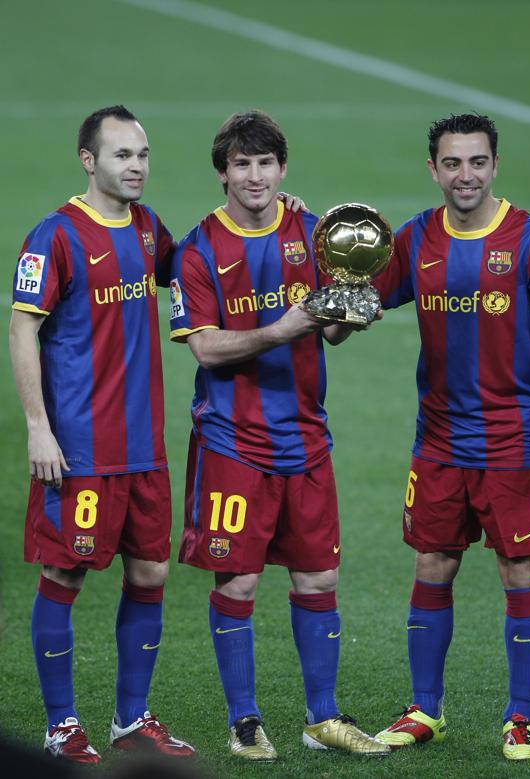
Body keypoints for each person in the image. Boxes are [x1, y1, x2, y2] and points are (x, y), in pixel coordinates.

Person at [169, 110, 390, 762]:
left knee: (318, 575)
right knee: (237, 582)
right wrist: (282, 328)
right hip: (233, 442)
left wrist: (351, 313)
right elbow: (206, 349)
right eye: (243, 164)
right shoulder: (199, 247)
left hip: (305, 437)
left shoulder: (311, 228)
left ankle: (322, 717)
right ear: (223, 173)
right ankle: (244, 721)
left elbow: (331, 326)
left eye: (266, 164)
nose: (256, 175)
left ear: (282, 169)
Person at [373, 113, 530, 760]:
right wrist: (332, 287)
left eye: (478, 162)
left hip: (514, 439)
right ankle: (425, 708)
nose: (466, 175)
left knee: (519, 567)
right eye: (453, 163)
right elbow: (359, 309)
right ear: (433, 169)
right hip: (437, 439)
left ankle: (519, 718)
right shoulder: (415, 237)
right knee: (433, 563)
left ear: (495, 165)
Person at [9, 105, 195, 764]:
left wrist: (273, 213)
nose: (137, 165)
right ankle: (61, 727)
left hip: (144, 445)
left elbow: (195, 266)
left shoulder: (148, 229)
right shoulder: (55, 236)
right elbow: (23, 326)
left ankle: (129, 717)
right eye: (122, 155)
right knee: (64, 571)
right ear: (89, 160)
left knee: (150, 569)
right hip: (80, 445)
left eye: (142, 153)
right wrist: (38, 427)